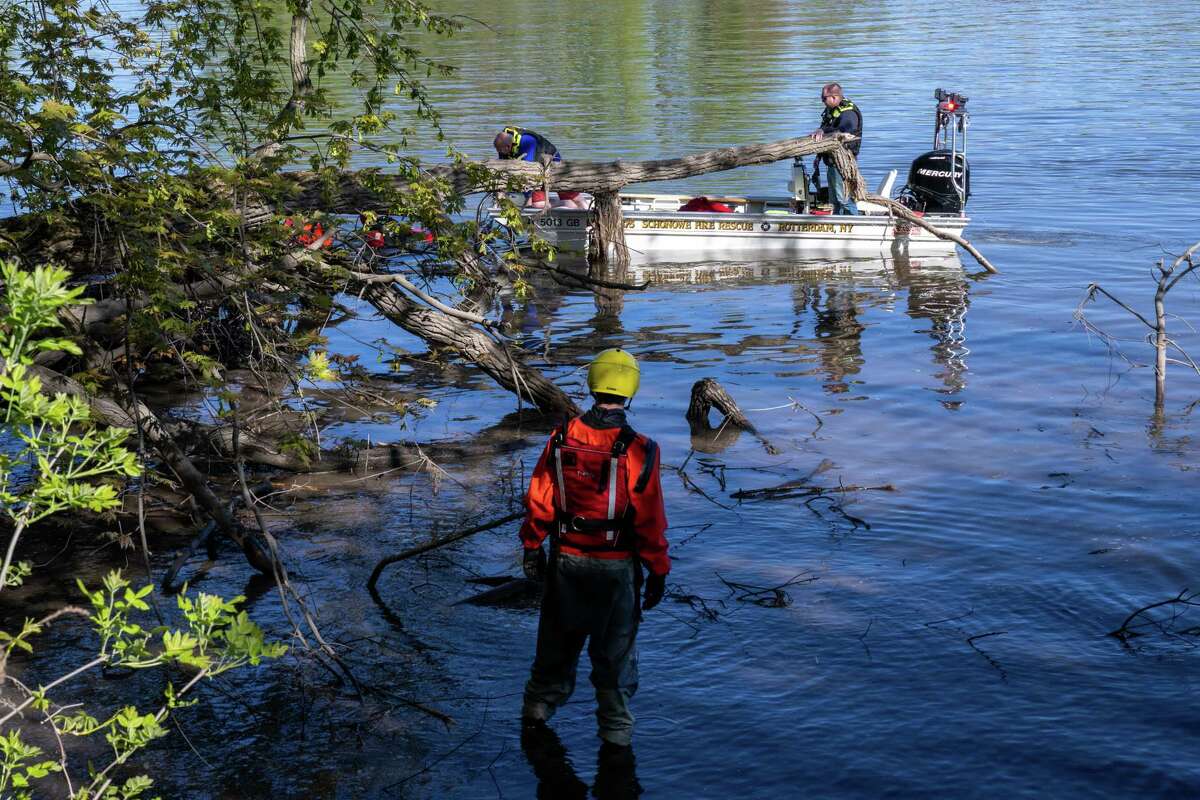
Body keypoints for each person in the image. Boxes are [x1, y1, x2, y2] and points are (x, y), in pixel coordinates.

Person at [519, 348, 670, 750]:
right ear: (631, 390)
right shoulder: (641, 449)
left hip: (566, 560)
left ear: (593, 384)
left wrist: (533, 546)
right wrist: (658, 570)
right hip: (616, 569)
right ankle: (616, 744)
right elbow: (650, 519)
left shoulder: (561, 437)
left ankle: (534, 725)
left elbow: (540, 498)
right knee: (614, 662)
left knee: (553, 652)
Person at [494, 126, 588, 209]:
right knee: (538, 204)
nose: (500, 154)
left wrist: (528, 197)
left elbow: (528, 172)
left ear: (507, 147)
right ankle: (566, 204)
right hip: (537, 170)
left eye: (501, 151)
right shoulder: (503, 142)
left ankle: (586, 209)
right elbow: (503, 168)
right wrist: (501, 191)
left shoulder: (527, 141)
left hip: (552, 164)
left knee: (570, 194)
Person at [809, 83, 862, 215]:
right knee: (834, 200)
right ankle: (838, 225)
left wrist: (823, 130)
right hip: (832, 162)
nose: (822, 102)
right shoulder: (832, 110)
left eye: (824, 99)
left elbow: (844, 131)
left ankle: (854, 224)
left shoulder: (848, 113)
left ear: (834, 97)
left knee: (844, 199)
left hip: (843, 163)